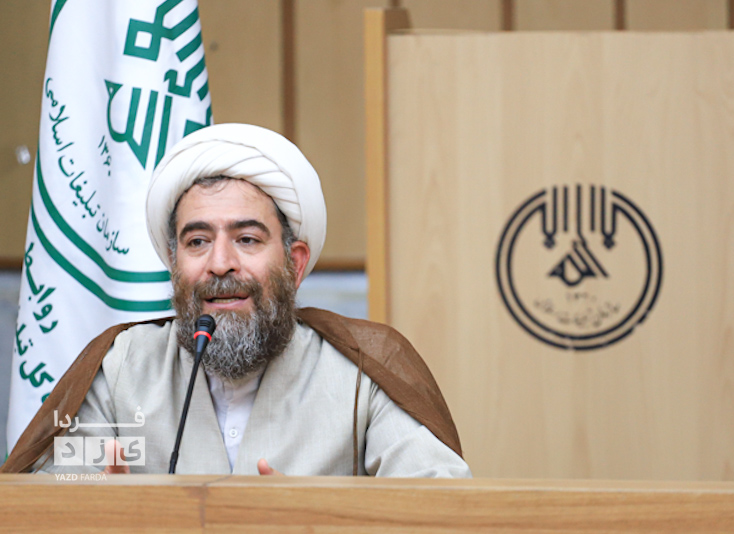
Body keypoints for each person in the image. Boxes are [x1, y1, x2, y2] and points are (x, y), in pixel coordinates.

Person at [3, 124, 470, 477]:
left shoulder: (363, 371)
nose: (220, 264)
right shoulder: (122, 368)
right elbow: (49, 501)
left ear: (294, 264)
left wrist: (318, 522)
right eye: (197, 242)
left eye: (246, 239)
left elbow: (440, 509)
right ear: (174, 263)